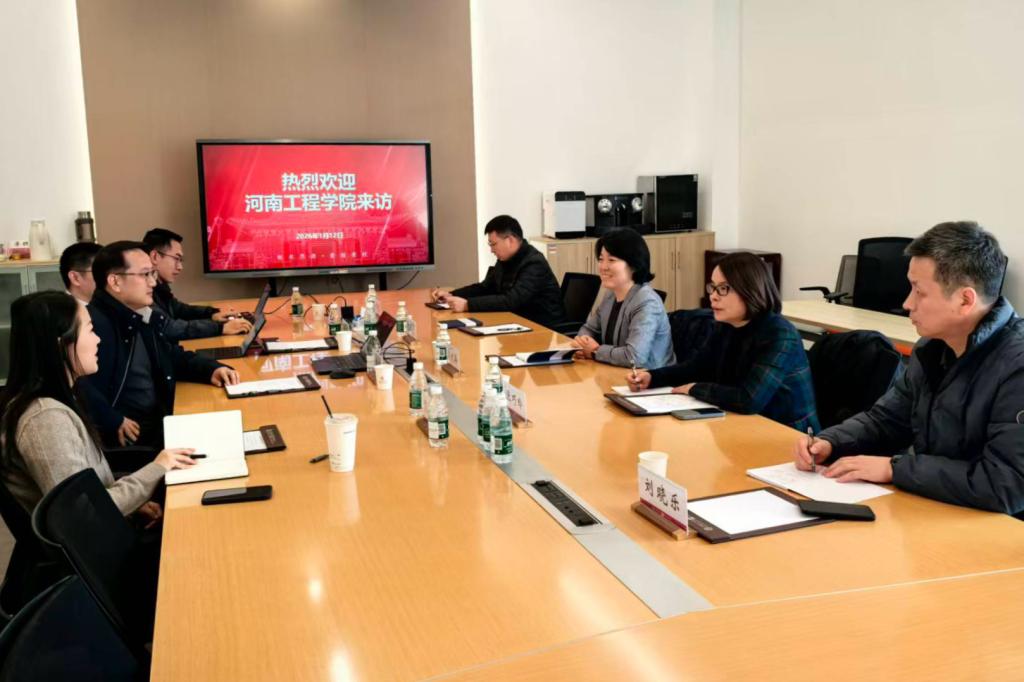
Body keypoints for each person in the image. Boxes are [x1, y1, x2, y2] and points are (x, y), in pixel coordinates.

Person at [793, 221, 1024, 516]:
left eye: (919, 291)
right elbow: (887, 420)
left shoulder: (1016, 366)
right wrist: (830, 441)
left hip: (999, 530)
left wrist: (895, 468)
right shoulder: (932, 348)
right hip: (942, 509)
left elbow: (1007, 484)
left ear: (965, 300)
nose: (906, 303)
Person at [0, 291, 197, 519]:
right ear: (61, 344)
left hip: (111, 525)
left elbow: (92, 489)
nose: (98, 340)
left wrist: (132, 502)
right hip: (106, 539)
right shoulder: (45, 419)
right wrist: (158, 468)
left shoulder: (59, 400)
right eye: (90, 330)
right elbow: (84, 513)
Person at [627, 252, 818, 432]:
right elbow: (696, 368)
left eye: (723, 288)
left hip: (788, 436)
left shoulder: (780, 334)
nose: (713, 295)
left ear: (750, 290)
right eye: (713, 287)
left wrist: (694, 389)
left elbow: (748, 399)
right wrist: (652, 377)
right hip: (741, 424)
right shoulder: (726, 325)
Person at [84, 241, 240, 449]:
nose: (153, 283)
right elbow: (75, 382)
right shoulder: (93, 325)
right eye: (145, 275)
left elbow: (169, 355)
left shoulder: (137, 313)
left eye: (153, 274)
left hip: (159, 420)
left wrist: (211, 369)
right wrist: (112, 419)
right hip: (133, 440)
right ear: (115, 282)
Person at [431, 215, 566, 328]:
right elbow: (485, 288)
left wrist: (467, 305)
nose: (491, 250)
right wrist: (452, 294)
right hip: (516, 323)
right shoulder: (505, 260)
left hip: (542, 328)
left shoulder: (534, 263)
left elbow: (512, 300)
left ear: (510, 240)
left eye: (493, 244)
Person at [570, 228, 674, 368]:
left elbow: (635, 357)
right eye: (601, 259)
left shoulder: (647, 302)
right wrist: (582, 343)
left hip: (648, 377)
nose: (603, 267)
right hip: (616, 372)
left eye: (611, 260)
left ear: (634, 265)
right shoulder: (611, 295)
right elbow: (589, 329)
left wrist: (595, 351)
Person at [143, 227, 251, 340]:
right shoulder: (142, 291)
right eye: (176, 258)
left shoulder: (160, 286)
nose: (180, 267)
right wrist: (220, 328)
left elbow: (179, 310)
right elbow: (170, 328)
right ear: (155, 257)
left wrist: (212, 314)